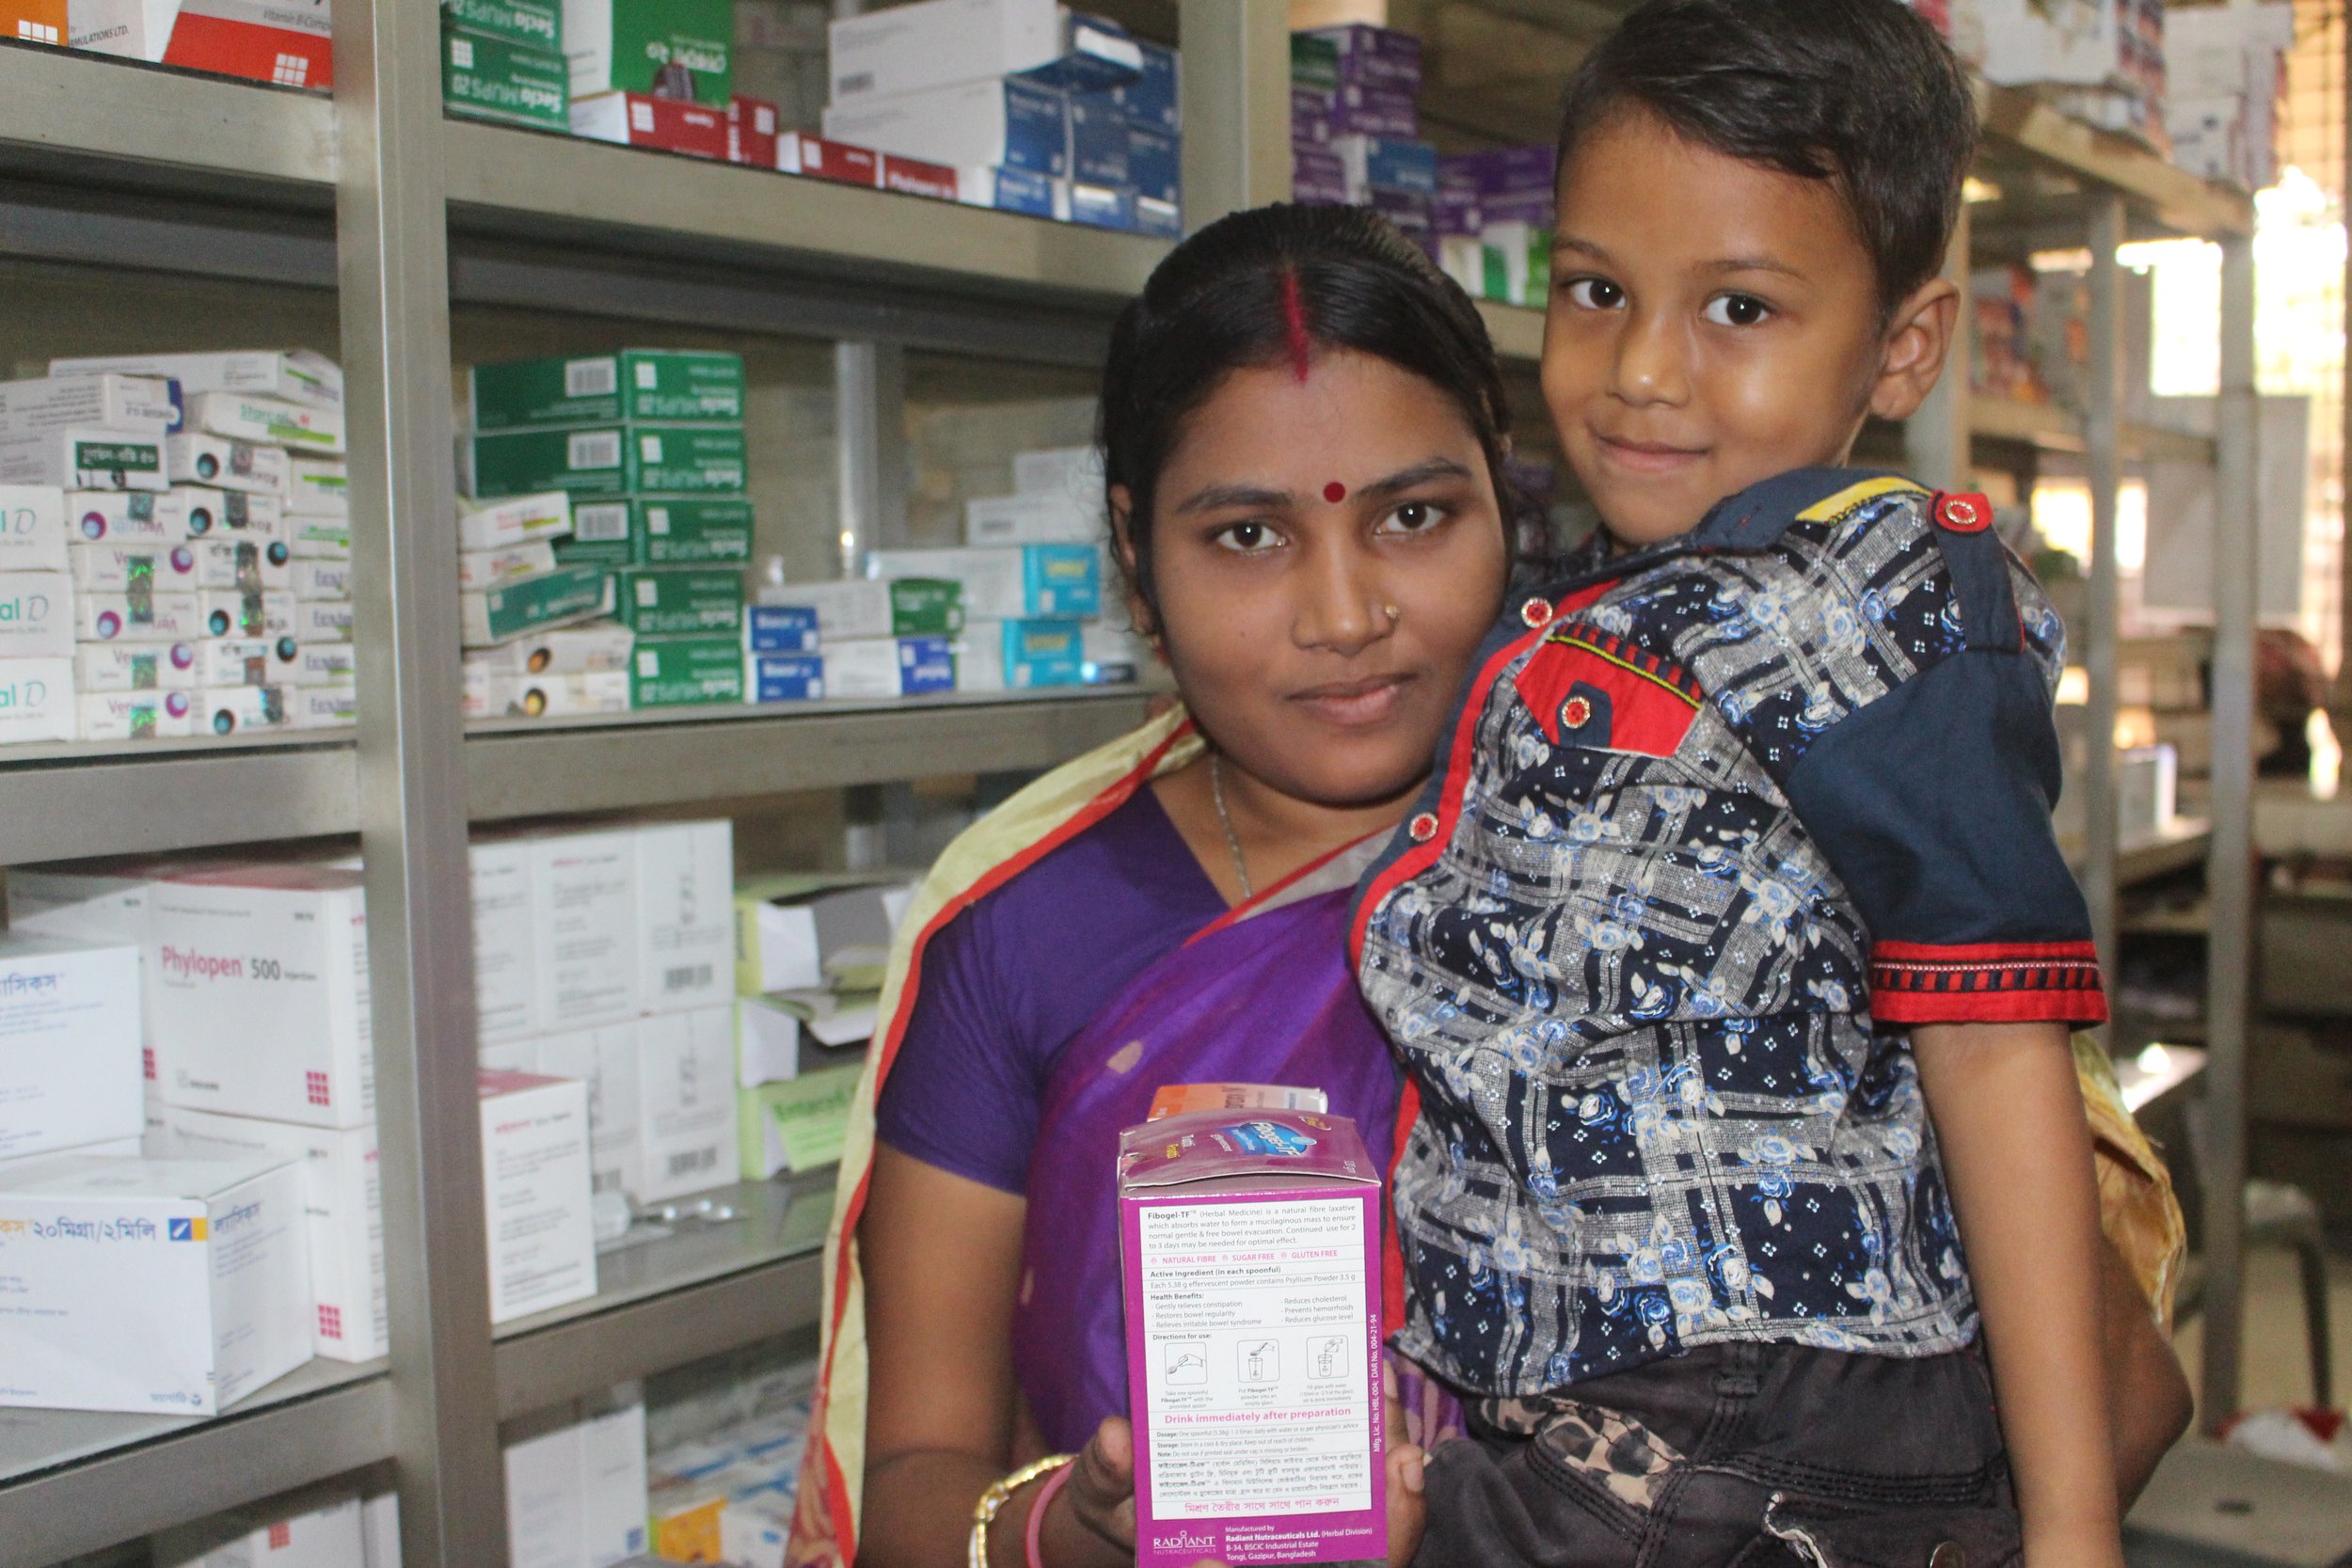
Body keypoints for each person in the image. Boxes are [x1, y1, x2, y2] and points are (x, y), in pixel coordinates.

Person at [1348, 4, 2188, 1567]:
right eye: (1598, 289)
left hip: (1750, 1424)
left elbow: (1996, 1050)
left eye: (1738, 306)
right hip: (1637, 1421)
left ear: (1906, 343)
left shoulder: (1886, 604)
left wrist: (2074, 1537)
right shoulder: (1649, 587)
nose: (1642, 371)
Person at [792, 203, 1519, 1568]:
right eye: (1250, 537)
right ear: (1135, 555)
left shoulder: (1641, 861)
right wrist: (1069, 1529)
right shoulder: (1022, 934)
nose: (1347, 613)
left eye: (1414, 516)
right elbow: (911, 1481)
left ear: (1505, 491)